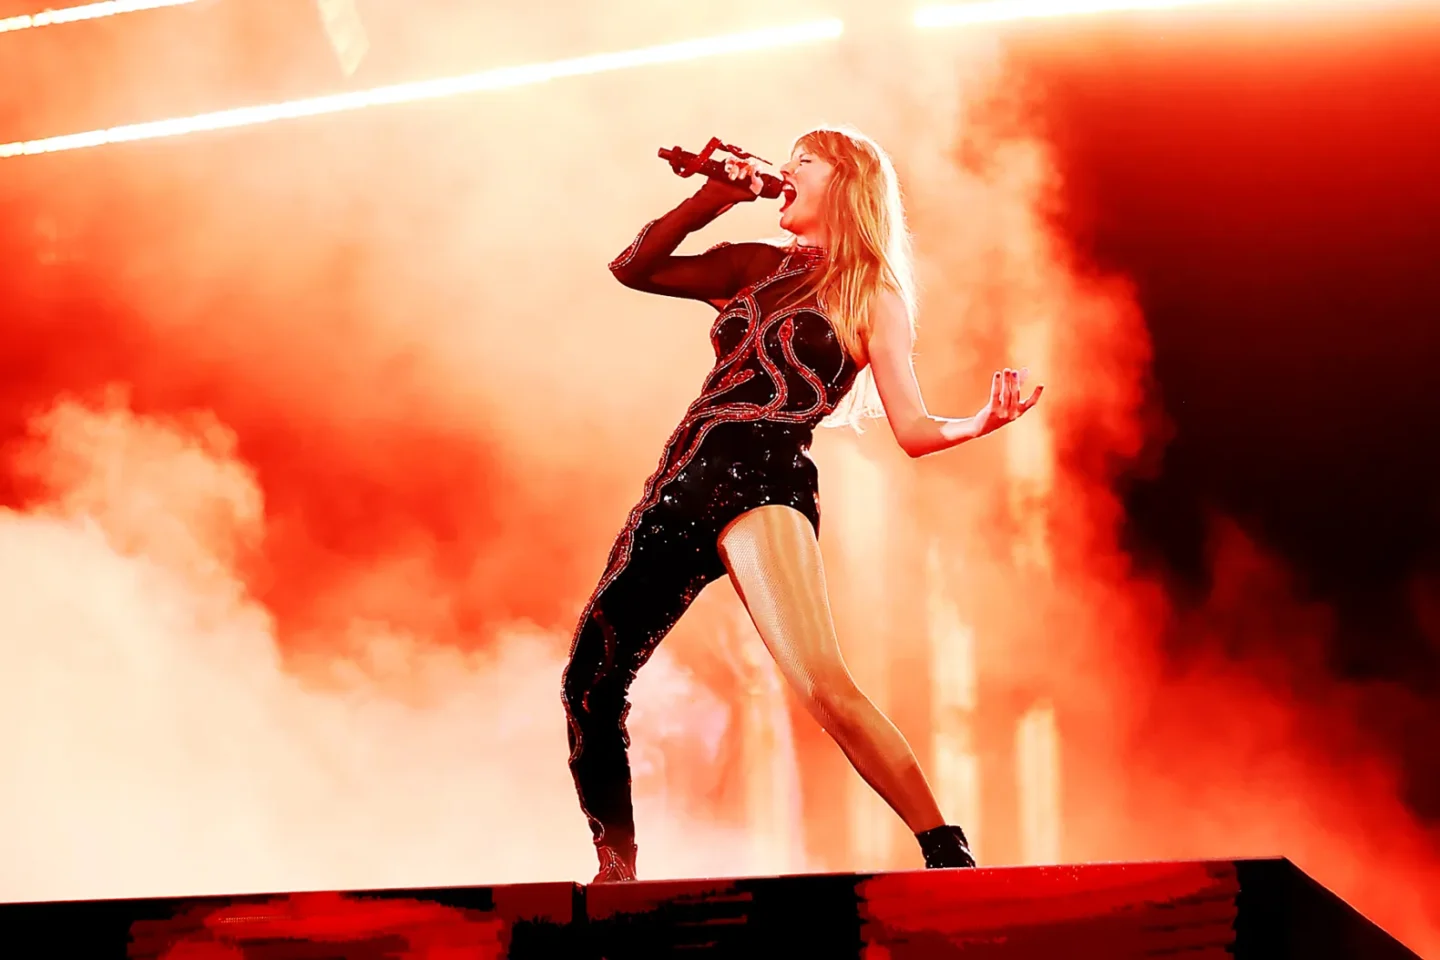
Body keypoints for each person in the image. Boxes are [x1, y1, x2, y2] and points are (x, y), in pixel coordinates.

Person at [561, 126, 1043, 883]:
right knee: (589, 681)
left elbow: (913, 429)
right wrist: (712, 198)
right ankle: (616, 871)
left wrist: (979, 421)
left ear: (844, 185)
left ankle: (945, 850)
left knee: (820, 679)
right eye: (782, 163)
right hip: (680, 482)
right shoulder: (754, 265)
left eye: (803, 164)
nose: (784, 173)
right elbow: (633, 268)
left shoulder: (871, 294)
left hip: (764, 476)